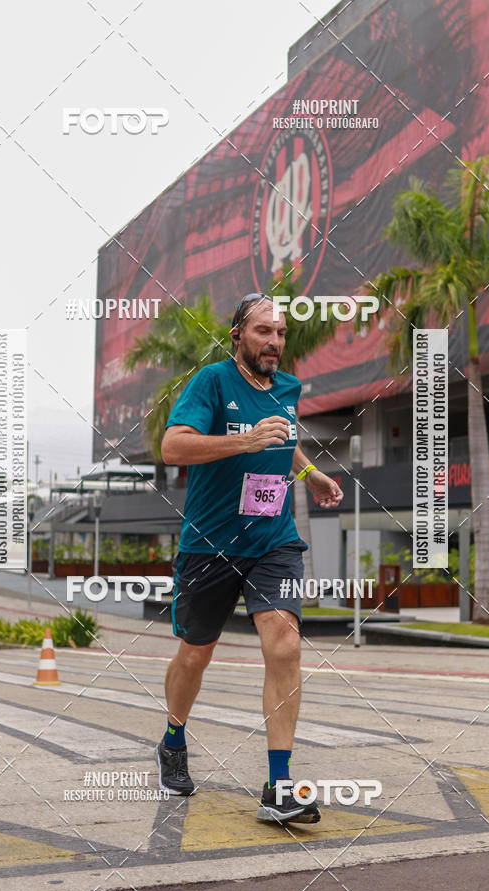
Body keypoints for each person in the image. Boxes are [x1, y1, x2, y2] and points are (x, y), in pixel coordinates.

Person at [155, 292, 343, 823]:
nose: (275, 342)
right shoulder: (212, 382)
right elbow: (173, 447)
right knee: (195, 654)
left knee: (284, 644)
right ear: (237, 335)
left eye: (281, 333)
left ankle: (278, 786)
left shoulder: (286, 387)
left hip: (272, 540)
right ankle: (173, 738)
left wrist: (312, 473)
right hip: (210, 545)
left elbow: (282, 439)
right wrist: (244, 442)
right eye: (264, 332)